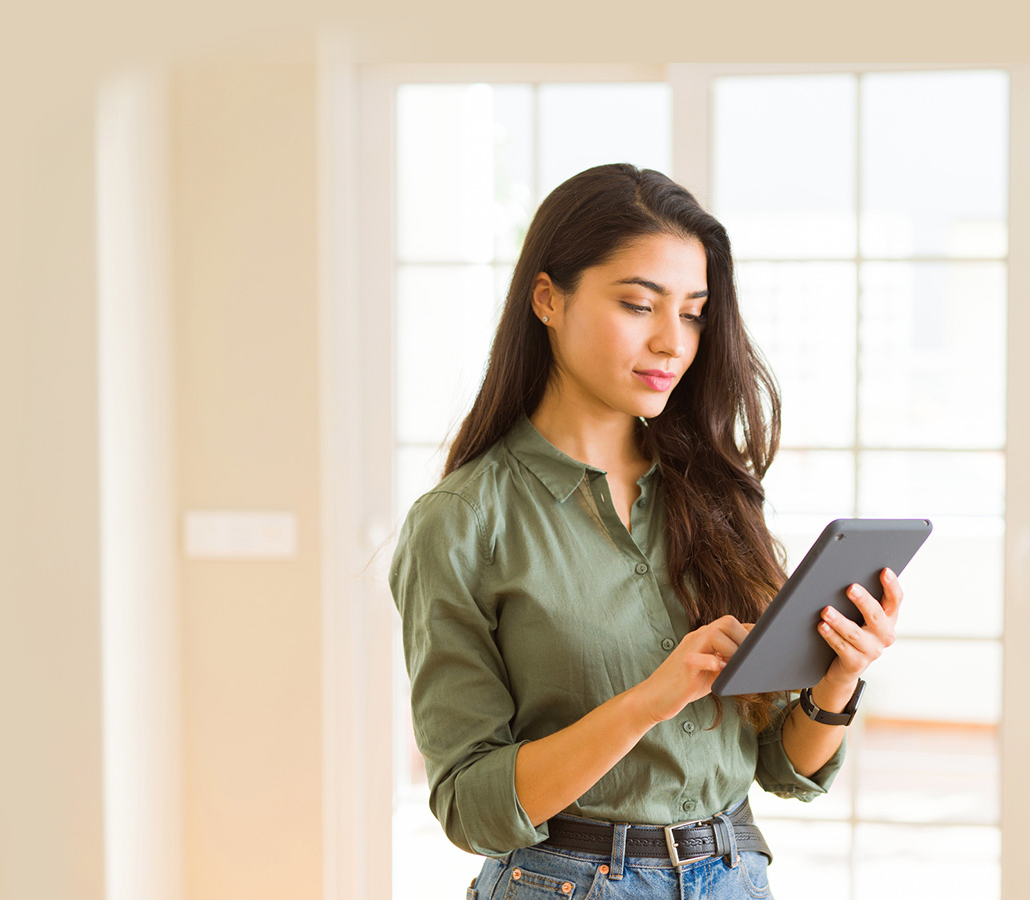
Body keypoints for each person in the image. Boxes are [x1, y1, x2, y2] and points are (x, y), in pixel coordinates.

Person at [387, 163, 907, 899]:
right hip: (564, 881)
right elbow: (470, 805)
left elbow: (782, 766)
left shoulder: (716, 495)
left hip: (734, 870)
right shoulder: (462, 523)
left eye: (694, 312)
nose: (673, 342)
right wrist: (648, 702)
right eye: (639, 304)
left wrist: (839, 679)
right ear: (547, 299)